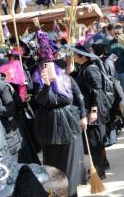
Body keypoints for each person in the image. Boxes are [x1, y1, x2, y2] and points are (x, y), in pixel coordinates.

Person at [33, 31, 86, 197]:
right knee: (53, 164)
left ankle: (71, 192)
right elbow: (40, 101)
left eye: (48, 64)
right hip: (48, 126)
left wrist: (84, 115)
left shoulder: (67, 80)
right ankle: (57, 192)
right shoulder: (38, 84)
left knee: (70, 162)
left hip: (69, 123)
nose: (45, 67)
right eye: (42, 65)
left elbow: (78, 97)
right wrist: (47, 85)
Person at [71, 45, 108, 181]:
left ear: (82, 57)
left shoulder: (90, 70)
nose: (73, 58)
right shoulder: (83, 68)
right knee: (96, 141)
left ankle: (99, 171)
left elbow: (96, 91)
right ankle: (103, 164)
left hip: (94, 110)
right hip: (89, 109)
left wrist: (94, 110)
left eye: (75, 56)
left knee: (94, 143)